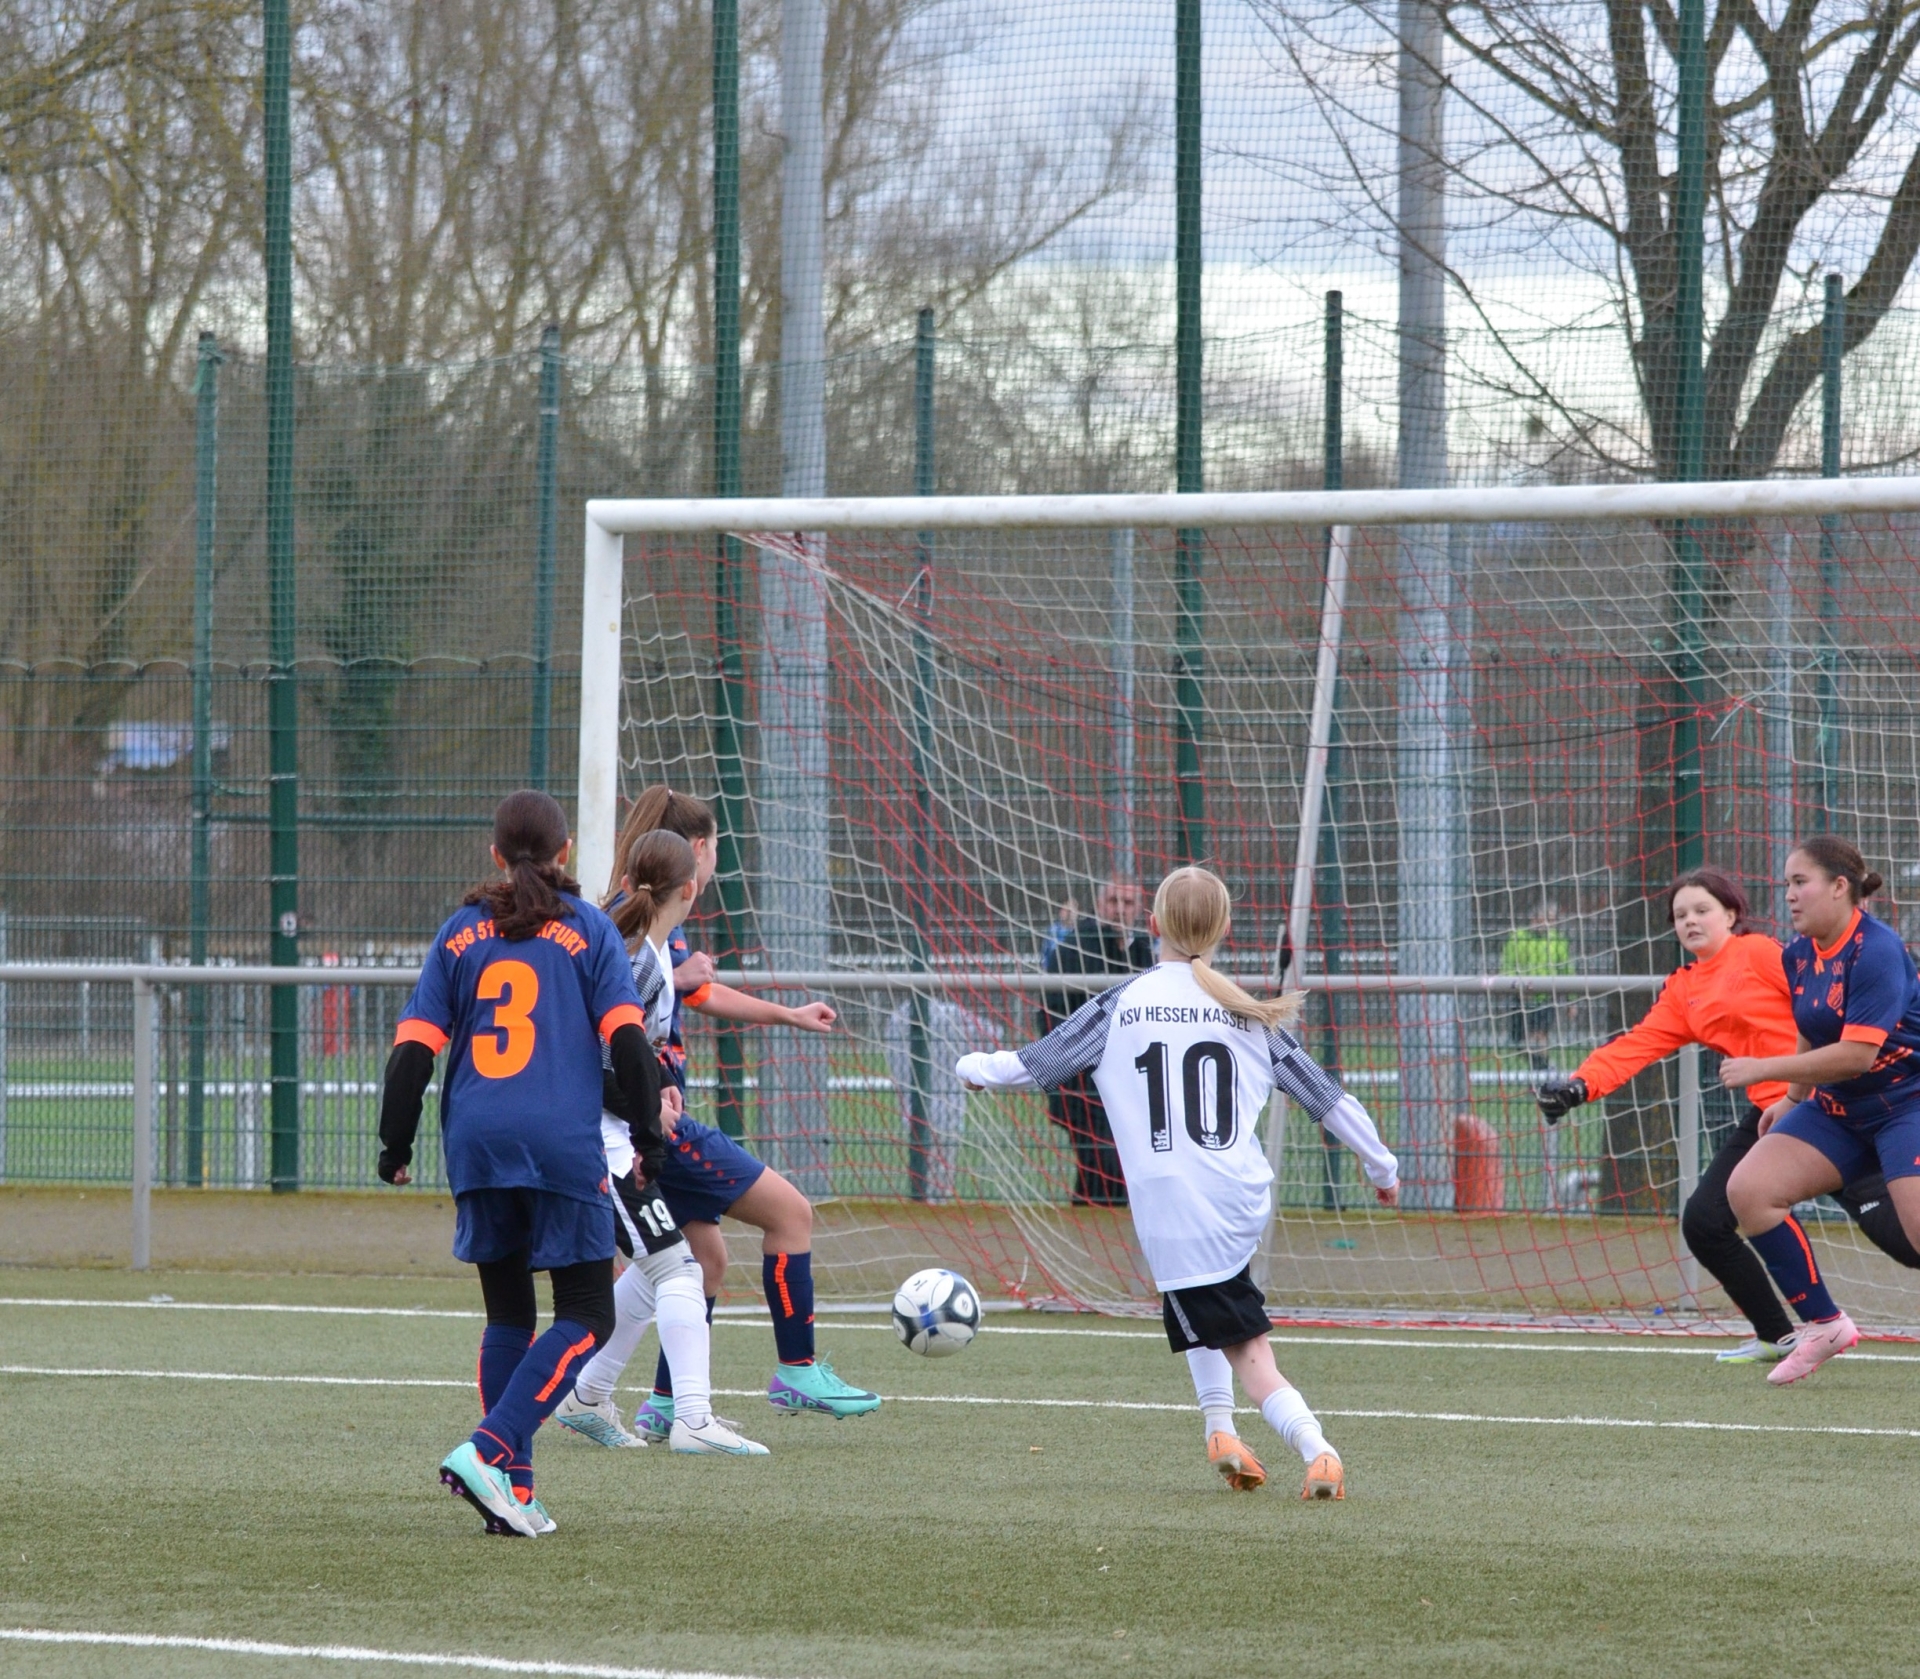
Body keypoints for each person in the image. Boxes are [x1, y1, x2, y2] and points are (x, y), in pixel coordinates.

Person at [959, 866, 1400, 1500]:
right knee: (1198, 1300)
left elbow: (1032, 1065)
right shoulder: (1247, 1013)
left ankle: (1318, 1449)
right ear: (1222, 930)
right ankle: (1221, 1434)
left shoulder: (1121, 1004)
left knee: (1252, 1356)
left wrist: (971, 1066)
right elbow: (1328, 1099)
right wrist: (1381, 1167)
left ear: (1152, 926)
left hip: (1177, 1204)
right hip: (1237, 1197)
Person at [375, 789, 663, 1536]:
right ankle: (488, 1448)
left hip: (477, 1140)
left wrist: (395, 1143)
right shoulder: (589, 928)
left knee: (509, 1313)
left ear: (495, 854)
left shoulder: (460, 931)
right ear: (566, 852)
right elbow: (628, 1042)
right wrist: (649, 1138)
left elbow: (413, 1050)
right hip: (558, 1142)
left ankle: (516, 1493)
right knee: (588, 1312)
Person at [1536, 867, 1920, 1364]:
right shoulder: (1684, 990)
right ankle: (1780, 1334)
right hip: (1776, 1118)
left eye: (1702, 910)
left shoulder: (1763, 954)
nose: (1690, 921)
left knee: (1907, 1243)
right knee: (1705, 1222)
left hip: (1838, 1108)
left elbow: (1834, 997)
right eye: (1680, 915)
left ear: (1732, 915)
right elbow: (1637, 1045)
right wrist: (1580, 1085)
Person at [605, 785, 879, 1439]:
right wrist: (654, 1096)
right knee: (790, 1213)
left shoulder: (645, 920)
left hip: (646, 1114)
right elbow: (617, 1027)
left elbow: (696, 994)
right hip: (648, 1123)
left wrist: (787, 1013)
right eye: (716, 848)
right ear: (696, 853)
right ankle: (796, 1369)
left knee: (703, 1260)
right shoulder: (636, 933)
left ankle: (662, 1402)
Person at [555, 827, 768, 1456]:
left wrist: (659, 1090)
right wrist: (647, 1107)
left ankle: (588, 1396)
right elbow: (591, 1066)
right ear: (691, 888)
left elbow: (630, 1055)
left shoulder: (645, 956)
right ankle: (692, 1420)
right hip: (598, 1140)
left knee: (658, 1268)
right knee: (681, 1267)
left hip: (614, 1132)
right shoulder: (637, 962)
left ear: (628, 882)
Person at [1722, 835, 1920, 1385]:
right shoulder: (1798, 953)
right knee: (1750, 1191)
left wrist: (1764, 1069)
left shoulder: (1877, 950)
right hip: (1840, 1108)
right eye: (1786, 882)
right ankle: (1824, 1325)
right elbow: (1813, 1027)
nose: (1789, 894)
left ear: (1839, 887)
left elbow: (1857, 1055)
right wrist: (1790, 1100)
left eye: (1800, 881)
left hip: (1907, 1102)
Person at [1040, 877, 1152, 1205]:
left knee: (1104, 1174)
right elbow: (1052, 1015)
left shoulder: (1142, 950)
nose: (1120, 910)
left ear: (1138, 909)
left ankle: (1089, 1219)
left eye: (1128, 903)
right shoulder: (1076, 948)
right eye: (1114, 901)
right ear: (1101, 904)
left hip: (1129, 1085)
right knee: (1105, 1166)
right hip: (1083, 1085)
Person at [882, 995, 1001, 1201]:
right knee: (940, 1180)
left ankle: (923, 1205)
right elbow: (994, 1034)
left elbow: (894, 1060)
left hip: (912, 1112)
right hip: (948, 1111)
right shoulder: (953, 1015)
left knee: (921, 1176)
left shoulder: (897, 1018)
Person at [1500, 901, 1571, 1069]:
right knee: (1518, 1041)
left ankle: (1543, 1072)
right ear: (1533, 919)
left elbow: (1567, 970)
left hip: (1545, 998)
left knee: (1539, 1037)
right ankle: (1544, 1067)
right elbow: (1507, 966)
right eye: (1542, 919)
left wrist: (1571, 1000)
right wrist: (1516, 987)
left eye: (1551, 921)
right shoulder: (1518, 937)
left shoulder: (1558, 940)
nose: (1546, 924)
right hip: (1521, 997)